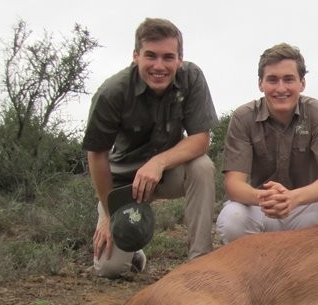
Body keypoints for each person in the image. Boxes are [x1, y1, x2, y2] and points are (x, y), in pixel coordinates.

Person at [82, 18, 218, 277]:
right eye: (150, 56)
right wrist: (109, 213)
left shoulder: (192, 78)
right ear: (136, 56)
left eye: (168, 57)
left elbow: (201, 139)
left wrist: (158, 163)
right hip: (123, 184)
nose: (159, 66)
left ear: (180, 59)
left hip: (167, 174)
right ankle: (132, 251)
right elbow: (97, 155)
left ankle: (200, 263)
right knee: (110, 270)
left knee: (202, 166)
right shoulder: (111, 92)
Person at [216, 42, 318, 243]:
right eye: (272, 80)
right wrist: (265, 199)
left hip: (307, 208)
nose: (281, 88)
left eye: (289, 79)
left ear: (302, 83)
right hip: (264, 208)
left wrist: (294, 198)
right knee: (233, 218)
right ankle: (256, 272)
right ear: (260, 83)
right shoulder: (244, 117)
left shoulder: (317, 113)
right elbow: (233, 185)